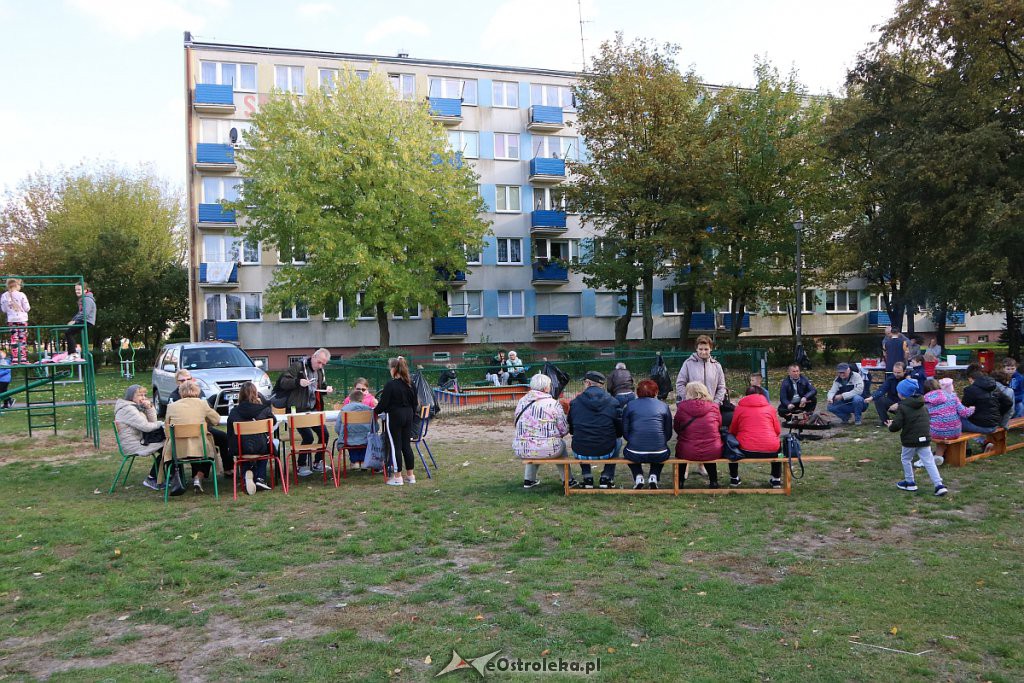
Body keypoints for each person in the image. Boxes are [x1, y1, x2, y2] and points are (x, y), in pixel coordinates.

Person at [277, 348, 334, 476]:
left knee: (324, 434)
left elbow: (320, 387)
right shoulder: (298, 366)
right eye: (319, 362)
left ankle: (318, 462)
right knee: (308, 436)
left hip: (312, 409)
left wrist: (327, 389)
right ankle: (301, 465)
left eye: (323, 364)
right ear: (313, 357)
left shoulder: (320, 371)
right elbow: (283, 382)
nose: (320, 366)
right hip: (296, 409)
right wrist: (298, 382)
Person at [161, 368, 231, 471]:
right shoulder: (174, 398)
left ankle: (228, 468)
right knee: (205, 444)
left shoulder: (173, 405)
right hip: (188, 435)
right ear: (177, 382)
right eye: (182, 380)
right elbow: (215, 419)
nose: (186, 382)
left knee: (221, 438)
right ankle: (199, 474)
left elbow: (167, 425)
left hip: (195, 433)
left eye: (188, 379)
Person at [887, 378, 948, 496]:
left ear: (901, 394)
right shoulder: (922, 405)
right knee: (929, 461)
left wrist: (891, 425)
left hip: (910, 440)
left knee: (906, 459)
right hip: (925, 437)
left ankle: (910, 482)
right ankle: (939, 485)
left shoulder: (902, 407)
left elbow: (897, 426)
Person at [514, 373, 573, 489]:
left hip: (522, 448)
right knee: (559, 446)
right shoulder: (553, 404)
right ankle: (568, 480)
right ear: (546, 388)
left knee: (533, 445)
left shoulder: (521, 401)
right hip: (549, 449)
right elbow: (564, 429)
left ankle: (528, 480)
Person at [163, 379, 221, 493]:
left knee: (197, 447)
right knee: (209, 451)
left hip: (176, 450)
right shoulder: (202, 403)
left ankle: (185, 478)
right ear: (197, 391)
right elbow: (216, 420)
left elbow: (167, 426)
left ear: (180, 392)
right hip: (199, 448)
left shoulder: (171, 406)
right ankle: (198, 476)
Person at [568, 370, 623, 489]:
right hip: (606, 449)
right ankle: (606, 477)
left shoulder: (575, 402)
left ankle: (587, 477)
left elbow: (571, 428)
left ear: (588, 383)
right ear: (601, 384)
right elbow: (619, 428)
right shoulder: (613, 402)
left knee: (579, 437)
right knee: (618, 441)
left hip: (581, 451)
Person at [621, 379, 672, 490]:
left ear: (637, 392)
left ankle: (638, 476)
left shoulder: (630, 405)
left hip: (634, 452)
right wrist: (660, 441)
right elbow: (668, 433)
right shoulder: (663, 406)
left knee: (627, 452)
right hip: (659, 452)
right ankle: (654, 476)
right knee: (662, 451)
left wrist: (632, 440)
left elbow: (624, 431)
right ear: (656, 392)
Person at [226, 381, 275, 495]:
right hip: (261, 447)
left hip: (241, 448)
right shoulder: (264, 409)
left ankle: (245, 476)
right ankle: (260, 478)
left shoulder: (234, 412)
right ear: (256, 393)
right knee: (266, 446)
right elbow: (273, 422)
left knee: (243, 445)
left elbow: (230, 431)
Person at [729, 385, 783, 488]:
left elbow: (733, 430)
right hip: (771, 449)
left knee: (731, 446)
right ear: (762, 395)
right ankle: (776, 479)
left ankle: (734, 478)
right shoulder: (770, 409)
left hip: (745, 450)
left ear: (746, 395)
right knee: (779, 449)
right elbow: (777, 430)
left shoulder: (739, 409)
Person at [375, 356, 418, 486]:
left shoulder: (390, 385)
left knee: (395, 447)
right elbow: (415, 403)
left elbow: (383, 404)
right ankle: (410, 476)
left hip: (395, 416)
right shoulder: (410, 384)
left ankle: (397, 477)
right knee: (406, 446)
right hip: (409, 415)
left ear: (394, 369)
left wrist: (375, 411)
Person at [115, 384, 166, 491]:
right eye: (140, 395)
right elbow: (146, 427)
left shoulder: (136, 407)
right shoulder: (128, 409)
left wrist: (149, 408)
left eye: (144, 395)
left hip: (141, 439)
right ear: (131, 397)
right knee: (168, 448)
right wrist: (161, 423)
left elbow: (152, 422)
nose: (143, 398)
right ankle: (152, 478)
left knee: (168, 446)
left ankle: (170, 476)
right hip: (133, 444)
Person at [674, 381, 722, 489]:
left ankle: (680, 482)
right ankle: (713, 481)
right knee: (709, 449)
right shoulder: (714, 407)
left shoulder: (682, 407)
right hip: (712, 449)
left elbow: (677, 427)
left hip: (687, 449)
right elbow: (719, 425)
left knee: (682, 451)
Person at [923, 377, 973, 466]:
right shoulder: (952, 396)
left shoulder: (924, 401)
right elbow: (964, 413)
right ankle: (943, 455)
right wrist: (972, 409)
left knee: (939, 431)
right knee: (947, 430)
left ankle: (938, 455)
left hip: (935, 432)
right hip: (955, 431)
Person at [675, 335, 727, 404]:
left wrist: (716, 403)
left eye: (706, 349)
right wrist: (688, 399)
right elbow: (680, 384)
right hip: (692, 406)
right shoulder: (688, 364)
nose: (703, 352)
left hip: (712, 406)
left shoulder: (717, 366)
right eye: (700, 349)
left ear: (711, 349)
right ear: (696, 349)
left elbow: (721, 387)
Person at [337, 389, 374, 469]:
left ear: (349, 400)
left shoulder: (344, 410)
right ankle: (363, 461)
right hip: (366, 439)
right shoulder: (369, 410)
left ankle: (355, 461)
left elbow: (337, 427)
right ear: (362, 400)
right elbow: (375, 427)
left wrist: (341, 434)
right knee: (364, 439)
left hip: (348, 440)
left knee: (350, 438)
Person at [865, 361, 906, 427]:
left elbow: (913, 397)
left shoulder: (909, 380)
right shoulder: (890, 379)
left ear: (904, 371)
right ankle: (885, 422)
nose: (896, 374)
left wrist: (899, 404)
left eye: (898, 372)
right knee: (879, 400)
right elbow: (882, 389)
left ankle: (906, 420)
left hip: (906, 404)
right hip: (892, 403)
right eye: (894, 372)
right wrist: (871, 397)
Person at [1, 279, 30, 364]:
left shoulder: (4, 296)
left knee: (14, 339)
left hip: (11, 320)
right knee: (22, 339)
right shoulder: (21, 295)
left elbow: (4, 310)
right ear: (16, 285)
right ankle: (23, 359)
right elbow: (27, 308)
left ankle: (15, 359)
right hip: (22, 319)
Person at [65, 282, 96, 358]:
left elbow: (85, 312)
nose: (77, 291)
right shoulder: (84, 299)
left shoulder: (87, 299)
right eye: (76, 290)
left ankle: (73, 354)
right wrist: (73, 320)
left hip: (86, 321)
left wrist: (74, 321)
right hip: (85, 320)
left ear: (85, 290)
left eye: (79, 289)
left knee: (69, 333)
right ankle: (72, 353)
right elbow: (81, 312)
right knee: (69, 332)